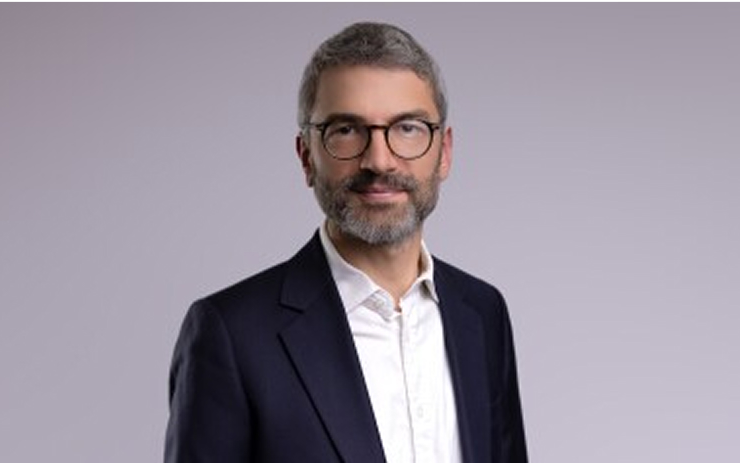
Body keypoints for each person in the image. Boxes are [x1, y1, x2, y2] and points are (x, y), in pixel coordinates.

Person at [165, 22, 528, 463]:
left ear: (444, 152)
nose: (379, 160)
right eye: (346, 130)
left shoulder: (483, 314)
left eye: (407, 127)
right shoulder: (231, 334)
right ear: (306, 157)